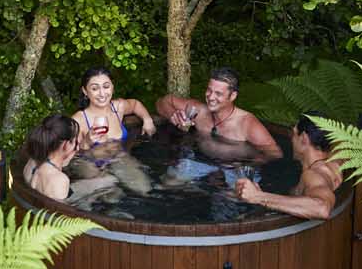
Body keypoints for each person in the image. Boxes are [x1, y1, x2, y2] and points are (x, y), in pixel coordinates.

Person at [155, 66, 279, 163]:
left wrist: (246, 164)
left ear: (233, 96)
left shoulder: (247, 123)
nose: (211, 97)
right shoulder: (199, 111)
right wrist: (173, 115)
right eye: (209, 90)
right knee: (170, 183)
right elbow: (163, 101)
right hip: (200, 162)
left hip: (232, 169)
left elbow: (275, 153)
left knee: (230, 196)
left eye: (218, 93)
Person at [235, 113, 343, 219]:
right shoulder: (336, 160)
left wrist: (258, 196)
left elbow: (322, 209)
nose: (291, 140)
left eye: (294, 134)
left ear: (304, 139)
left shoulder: (313, 175)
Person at [68, 66, 156, 194]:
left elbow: (135, 104)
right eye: (94, 88)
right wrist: (87, 142)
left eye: (106, 86)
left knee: (144, 188)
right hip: (88, 162)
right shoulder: (79, 120)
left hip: (118, 156)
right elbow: (70, 154)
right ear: (85, 91)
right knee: (111, 195)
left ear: (112, 87)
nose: (102, 93)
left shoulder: (118, 107)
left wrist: (147, 120)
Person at [20, 114, 117, 204]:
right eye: (76, 143)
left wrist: (87, 143)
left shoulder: (32, 162)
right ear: (66, 145)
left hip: (44, 199)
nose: (77, 148)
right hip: (55, 204)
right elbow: (62, 219)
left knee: (109, 181)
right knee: (112, 186)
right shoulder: (59, 180)